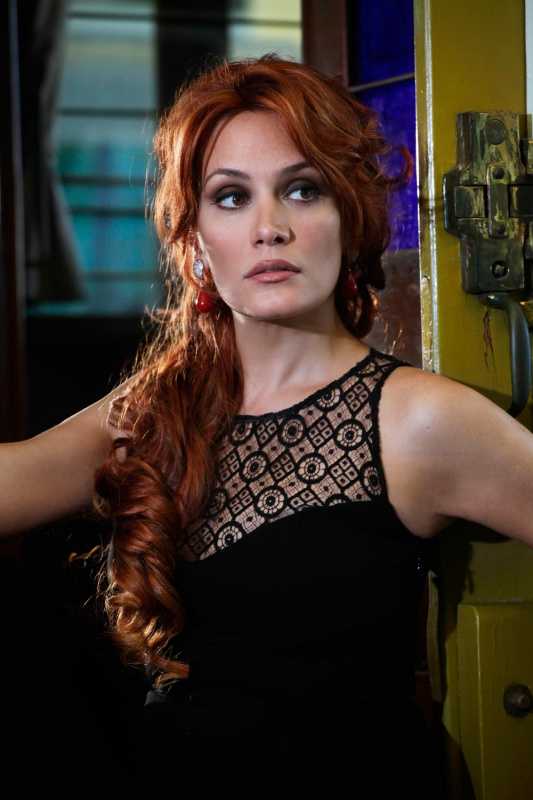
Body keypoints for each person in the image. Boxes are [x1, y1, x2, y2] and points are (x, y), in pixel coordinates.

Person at [3, 54, 533, 796]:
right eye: (231, 197)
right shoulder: (162, 405)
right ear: (194, 240)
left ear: (348, 216)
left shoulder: (417, 419)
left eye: (302, 189)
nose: (269, 228)